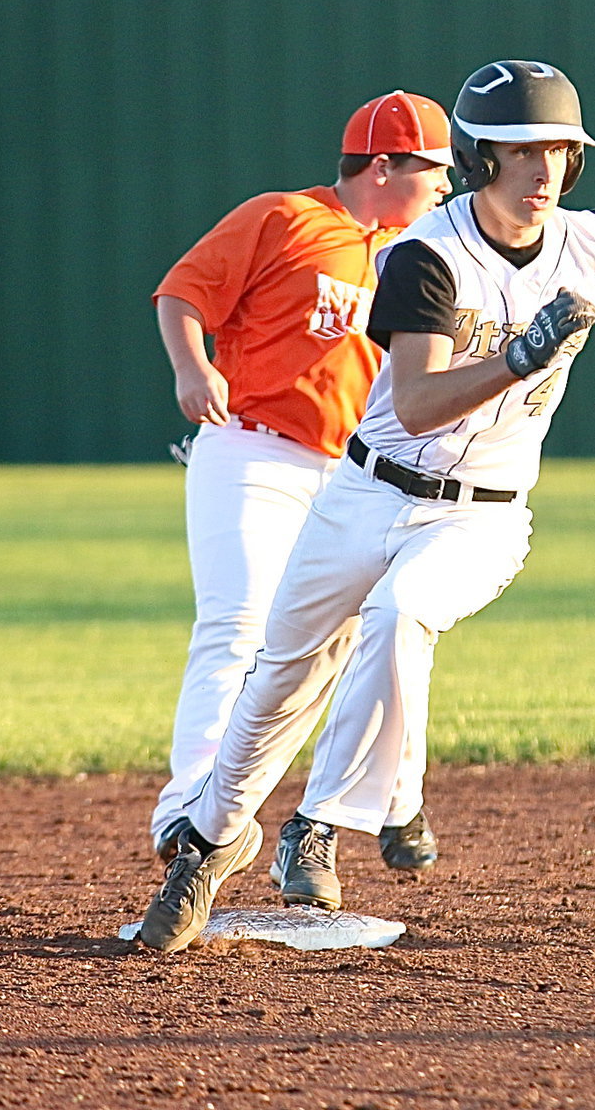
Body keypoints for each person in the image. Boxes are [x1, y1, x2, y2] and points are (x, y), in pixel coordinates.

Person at [139, 60, 595, 953]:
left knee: (401, 611)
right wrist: (519, 359)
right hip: (364, 489)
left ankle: (336, 818)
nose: (541, 172)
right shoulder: (427, 255)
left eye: (559, 154)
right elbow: (417, 403)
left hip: (483, 513)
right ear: (480, 157)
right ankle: (208, 841)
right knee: (278, 673)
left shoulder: (589, 237)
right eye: (518, 152)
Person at [149, 90, 454, 874]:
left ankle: (378, 803)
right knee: (237, 623)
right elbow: (183, 290)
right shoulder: (283, 217)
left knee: (364, 637)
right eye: (433, 168)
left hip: (355, 473)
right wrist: (193, 365)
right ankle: (191, 806)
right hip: (253, 453)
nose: (446, 184)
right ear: (382, 166)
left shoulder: (422, 250)